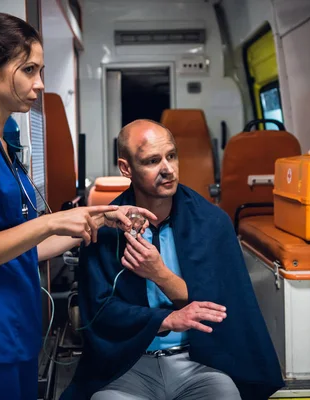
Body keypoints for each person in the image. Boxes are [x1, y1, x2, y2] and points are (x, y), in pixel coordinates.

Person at [0, 13, 155, 399]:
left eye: (40, 70)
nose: (40, 83)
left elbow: (20, 249)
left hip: (14, 335)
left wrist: (99, 218)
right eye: (29, 70)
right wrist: (51, 223)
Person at [61, 120, 284, 400]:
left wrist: (159, 274)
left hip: (199, 362)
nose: (167, 169)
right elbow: (99, 312)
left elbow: (222, 310)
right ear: (126, 168)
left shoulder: (212, 223)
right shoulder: (105, 228)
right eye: (153, 161)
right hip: (127, 365)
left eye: (171, 156)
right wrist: (166, 319)